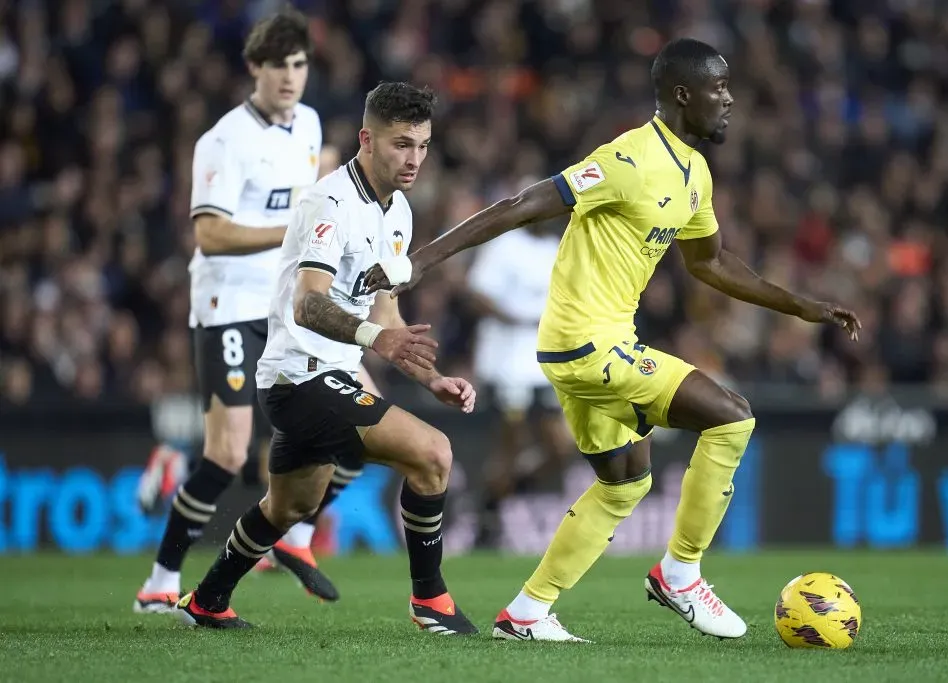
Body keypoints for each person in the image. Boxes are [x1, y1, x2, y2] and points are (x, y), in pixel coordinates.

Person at [364, 38, 861, 642]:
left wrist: (800, 305)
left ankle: (525, 614)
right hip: (588, 345)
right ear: (683, 93)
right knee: (732, 419)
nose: (729, 99)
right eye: (718, 88)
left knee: (627, 481)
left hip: (584, 349)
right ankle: (680, 573)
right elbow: (522, 205)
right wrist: (418, 263)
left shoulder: (694, 172)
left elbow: (711, 264)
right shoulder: (629, 157)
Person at [175, 81, 479, 636]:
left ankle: (209, 599)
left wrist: (432, 377)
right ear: (367, 138)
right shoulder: (328, 202)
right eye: (401, 144)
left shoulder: (399, 213)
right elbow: (308, 302)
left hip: (328, 375)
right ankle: (429, 600)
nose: (414, 158)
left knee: (287, 507)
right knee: (433, 454)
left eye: (423, 145)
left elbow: (386, 317)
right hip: (299, 376)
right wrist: (374, 340)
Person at [133, 7, 343, 613]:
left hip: (283, 305)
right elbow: (211, 234)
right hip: (226, 301)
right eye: (278, 65)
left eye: (299, 64)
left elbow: (309, 178)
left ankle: (290, 536)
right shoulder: (223, 140)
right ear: (254, 67)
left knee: (328, 426)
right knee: (228, 453)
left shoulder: (308, 124)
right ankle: (160, 582)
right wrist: (291, 229)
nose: (290, 76)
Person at [465, 218, 575, 548]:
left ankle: (501, 495)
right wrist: (514, 317)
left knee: (561, 446)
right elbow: (476, 294)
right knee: (510, 445)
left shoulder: (555, 248)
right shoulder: (504, 246)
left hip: (544, 362)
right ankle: (488, 519)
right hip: (506, 363)